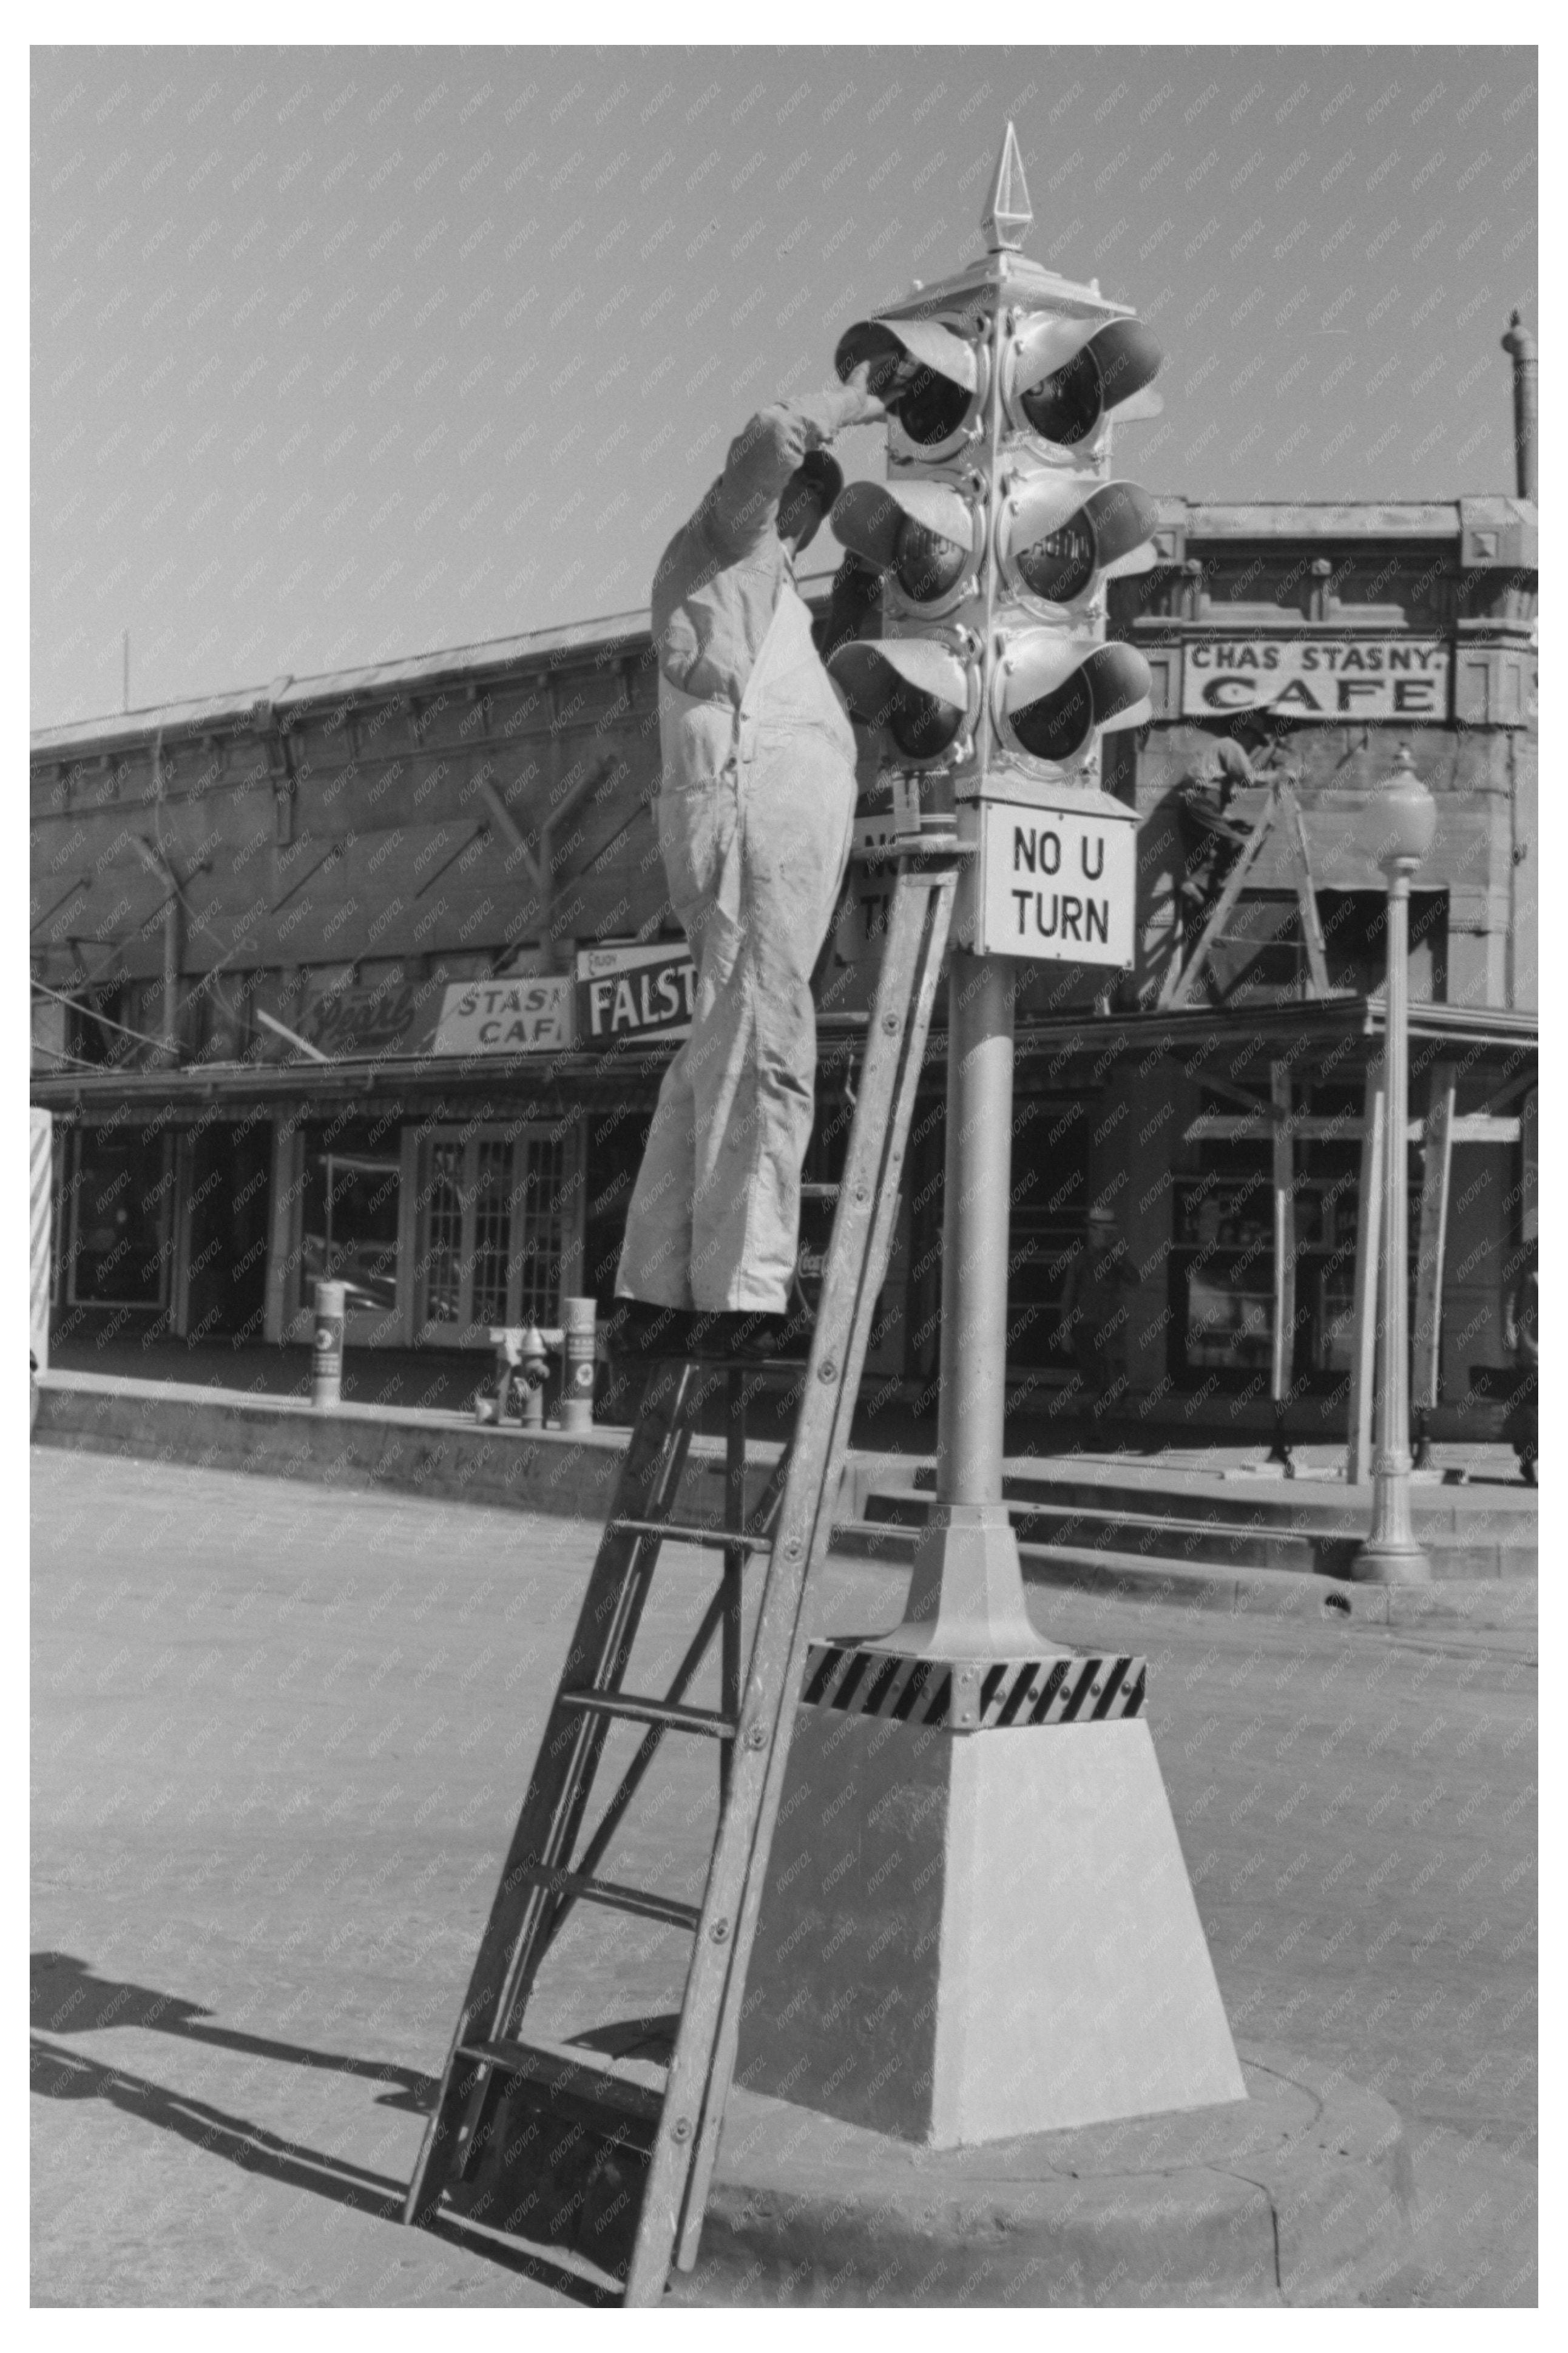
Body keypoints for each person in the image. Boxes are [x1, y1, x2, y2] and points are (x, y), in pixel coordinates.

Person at [613, 371, 886, 1358]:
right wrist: (851, 401)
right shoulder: (724, 539)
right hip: (745, 816)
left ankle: (655, 1282)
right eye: (804, 495)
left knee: (713, 1055)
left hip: (751, 819)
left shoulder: (768, 592)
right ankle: (741, 1290)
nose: (806, 513)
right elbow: (775, 432)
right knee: (769, 1050)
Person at [1059, 1203, 1140, 1422]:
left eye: (1110, 1233)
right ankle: (1092, 1420)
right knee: (1092, 1375)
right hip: (1087, 1325)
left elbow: (1135, 1280)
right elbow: (1069, 1296)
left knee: (1114, 1370)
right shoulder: (1080, 1260)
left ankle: (1109, 1413)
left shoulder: (1115, 1258)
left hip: (1112, 1324)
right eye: (1103, 1232)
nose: (1106, 1237)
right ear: (1093, 1232)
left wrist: (1119, 1256)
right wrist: (1065, 1331)